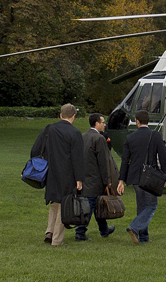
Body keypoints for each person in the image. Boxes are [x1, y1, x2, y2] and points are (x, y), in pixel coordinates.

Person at [31, 103, 85, 246]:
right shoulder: (75, 133)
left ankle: (50, 231)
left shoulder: (49, 129)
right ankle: (57, 240)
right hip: (67, 174)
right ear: (73, 116)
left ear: (61, 115)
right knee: (64, 205)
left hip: (50, 172)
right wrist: (79, 179)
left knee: (54, 202)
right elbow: (78, 158)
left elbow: (35, 150)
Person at [116, 109, 166, 244]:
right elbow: (163, 157)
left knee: (142, 206)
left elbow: (125, 160)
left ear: (137, 121)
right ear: (148, 121)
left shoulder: (130, 138)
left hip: (135, 176)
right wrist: (165, 175)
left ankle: (144, 237)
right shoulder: (155, 136)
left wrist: (121, 180)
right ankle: (135, 227)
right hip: (150, 176)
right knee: (152, 205)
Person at [75, 112, 118, 241]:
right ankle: (80, 232)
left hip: (84, 177)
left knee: (98, 205)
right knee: (91, 205)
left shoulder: (83, 136)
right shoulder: (99, 139)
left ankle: (104, 230)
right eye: (103, 122)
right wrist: (107, 180)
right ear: (96, 123)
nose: (104, 125)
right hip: (95, 179)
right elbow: (103, 162)